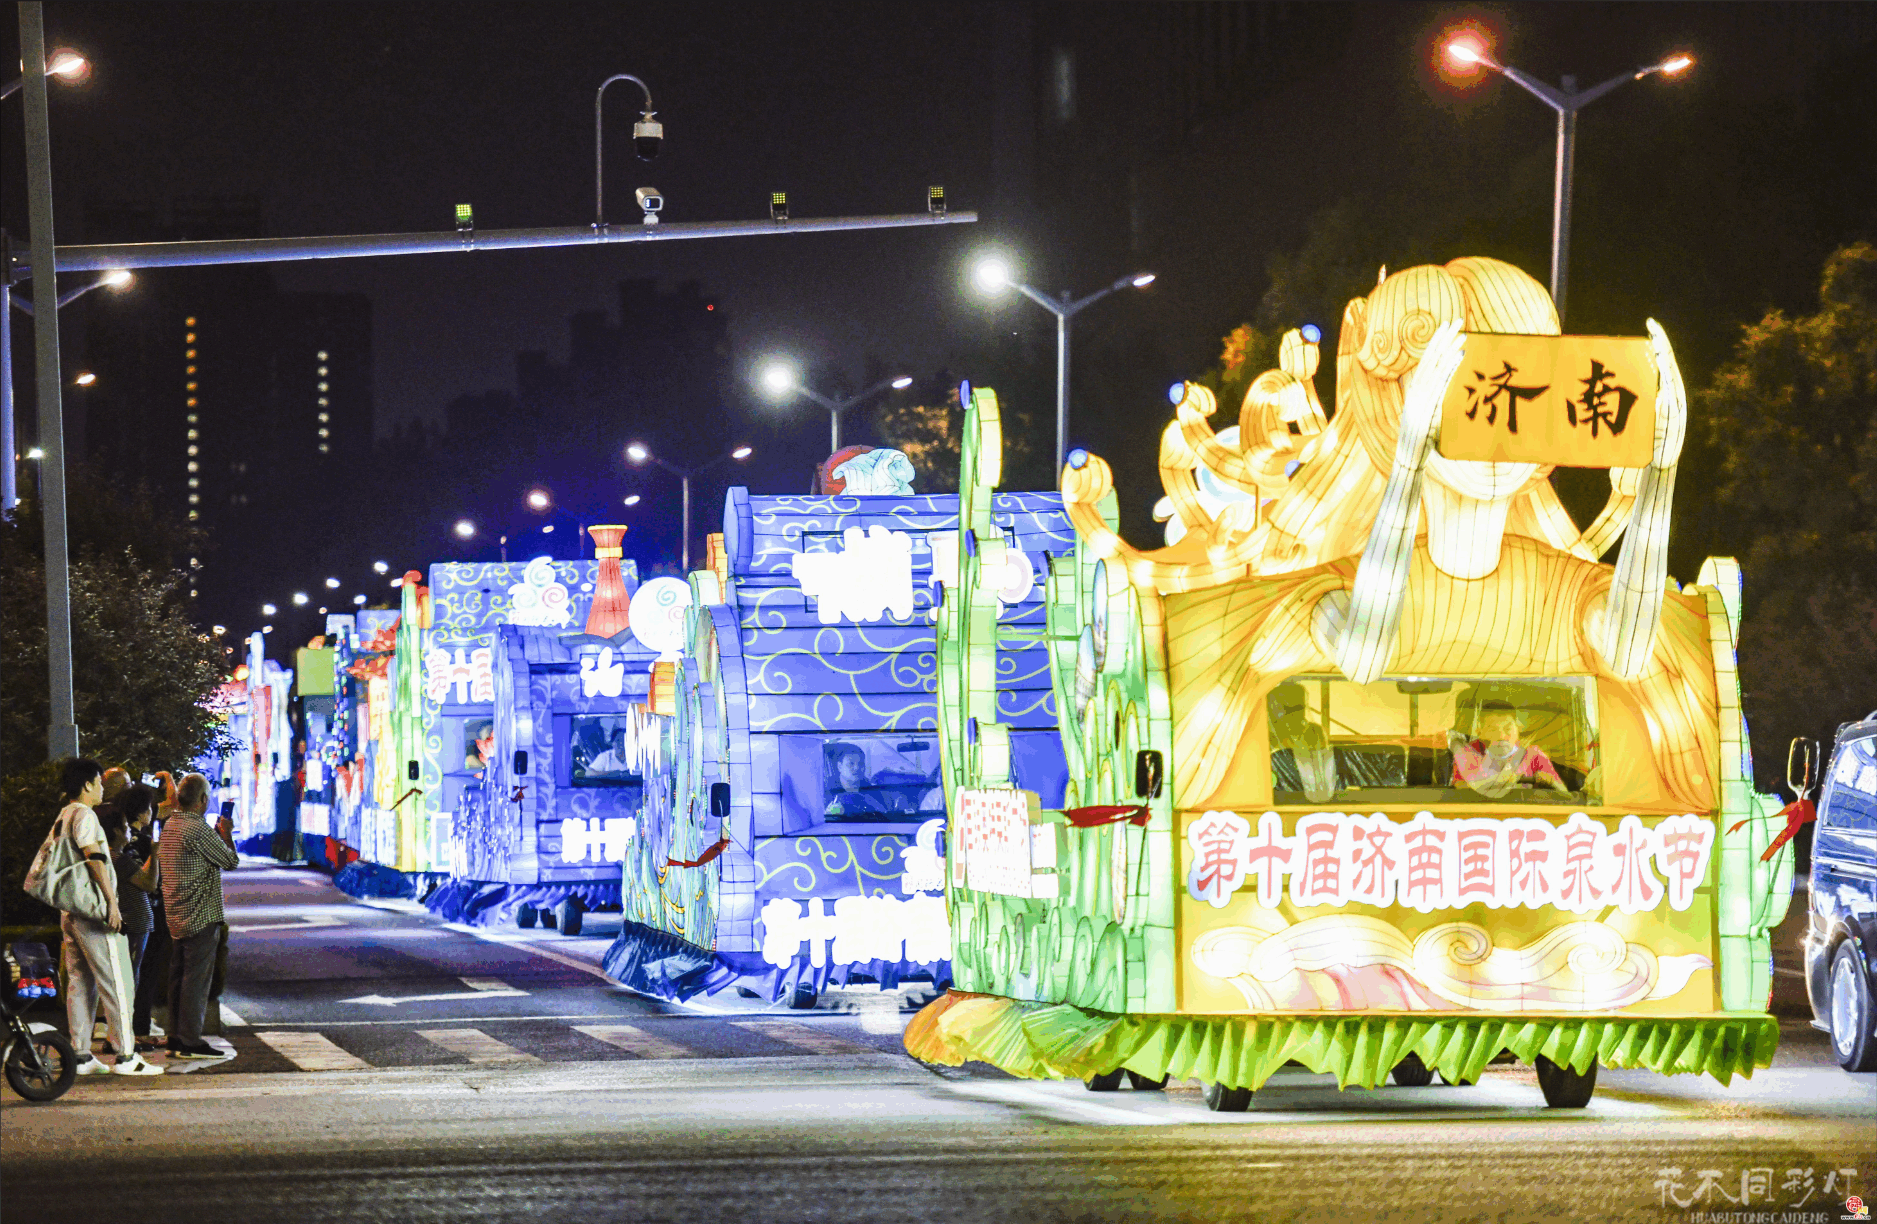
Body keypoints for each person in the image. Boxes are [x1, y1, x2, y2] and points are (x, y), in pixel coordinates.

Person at [50, 758, 163, 1077]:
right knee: (118, 980)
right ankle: (126, 1056)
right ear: (86, 785)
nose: (103, 789)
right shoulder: (85, 815)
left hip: (72, 909)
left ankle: (81, 1054)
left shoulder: (65, 814)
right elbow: (96, 858)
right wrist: (112, 902)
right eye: (99, 783)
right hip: (94, 909)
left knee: (81, 982)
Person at [157, 772, 238, 1059]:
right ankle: (191, 1039)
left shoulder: (170, 825)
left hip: (176, 912)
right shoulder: (197, 829)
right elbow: (230, 861)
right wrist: (226, 832)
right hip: (201, 914)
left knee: (178, 977)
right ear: (202, 799)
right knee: (196, 980)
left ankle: (176, 1036)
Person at [105, 782, 163, 1052]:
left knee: (133, 977)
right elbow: (148, 884)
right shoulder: (127, 853)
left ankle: (126, 1034)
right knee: (133, 978)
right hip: (137, 919)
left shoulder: (116, 854)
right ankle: (127, 1036)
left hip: (137, 918)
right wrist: (155, 854)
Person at [1450, 702, 1570, 798]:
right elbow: (1460, 788)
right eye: (1493, 730)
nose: (1501, 736)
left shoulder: (1533, 754)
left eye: (1508, 729)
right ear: (1480, 732)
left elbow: (1565, 794)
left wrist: (1550, 781)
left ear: (1518, 729)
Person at [1268, 682, 1340, 803]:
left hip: (1314, 792)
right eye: (1292, 709)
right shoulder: (1272, 734)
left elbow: (1323, 764)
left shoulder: (1314, 731)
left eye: (1301, 707)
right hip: (1284, 794)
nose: (1298, 713)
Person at [823, 743, 886, 818]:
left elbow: (884, 817)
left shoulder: (873, 791)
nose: (857, 768)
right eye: (851, 764)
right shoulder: (825, 790)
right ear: (839, 767)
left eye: (861, 763)